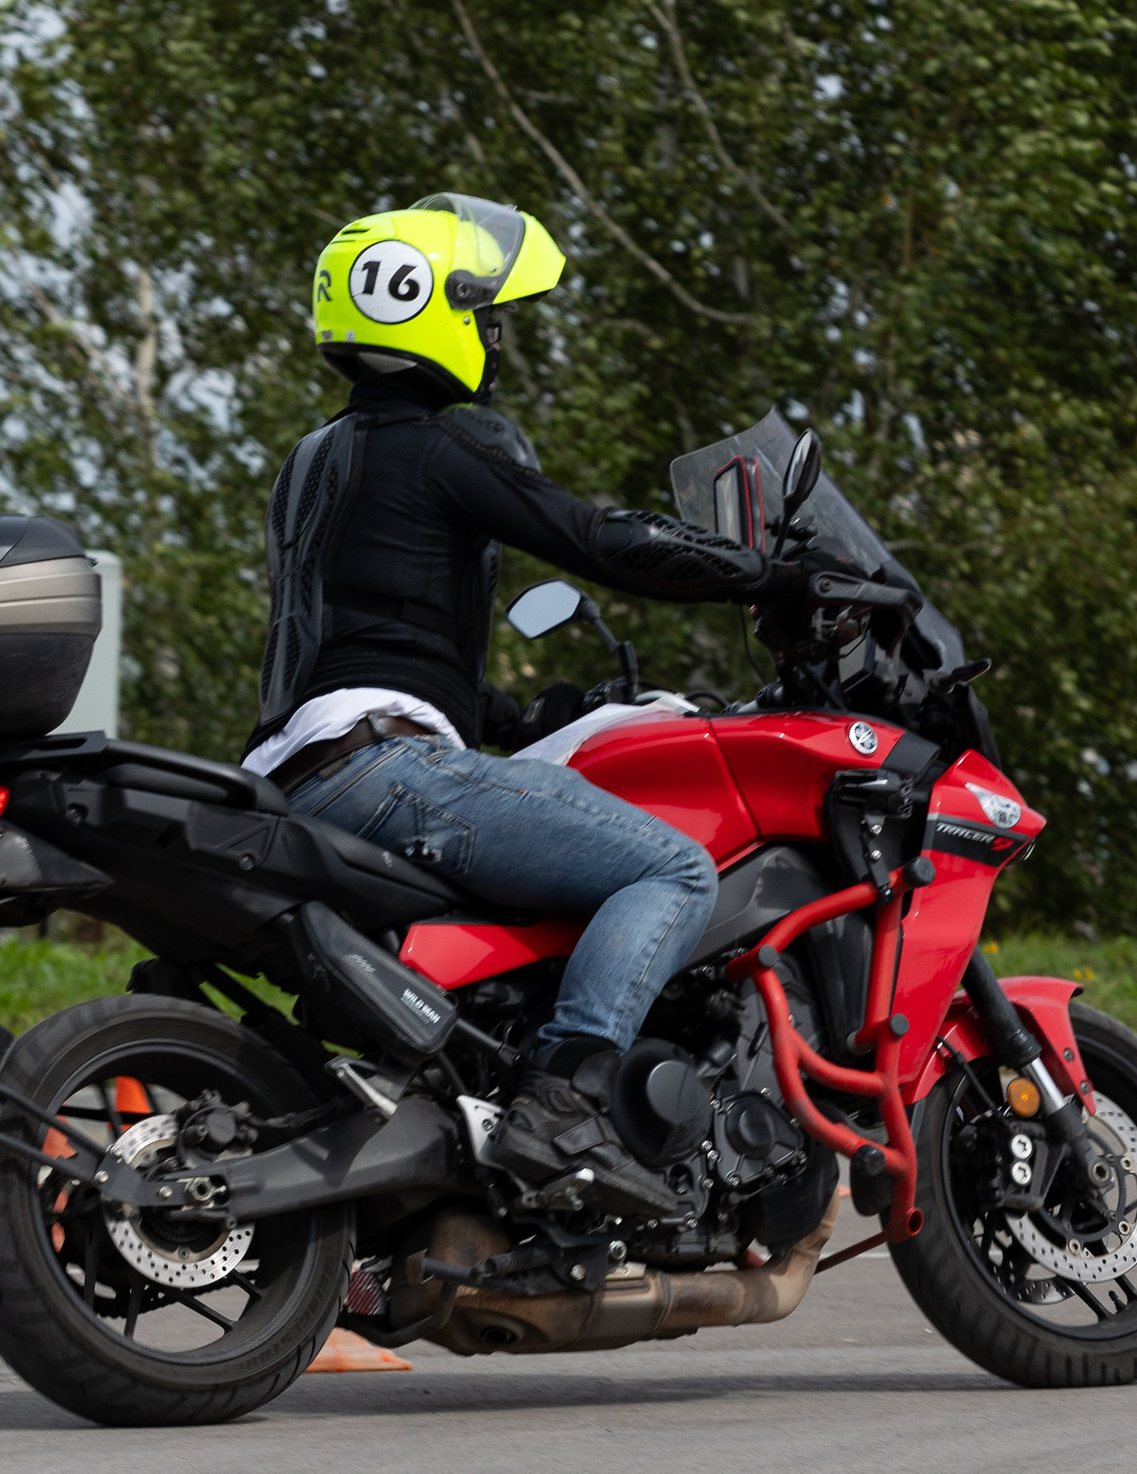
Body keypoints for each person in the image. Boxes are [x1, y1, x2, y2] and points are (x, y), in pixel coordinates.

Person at [243, 193, 805, 1214]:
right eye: (488, 317)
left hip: (299, 770)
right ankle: (567, 1100)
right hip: (382, 771)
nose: (495, 341)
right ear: (433, 312)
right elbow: (596, 540)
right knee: (671, 868)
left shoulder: (313, 461)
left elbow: (373, 642)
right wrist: (766, 574)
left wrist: (518, 716)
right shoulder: (440, 446)